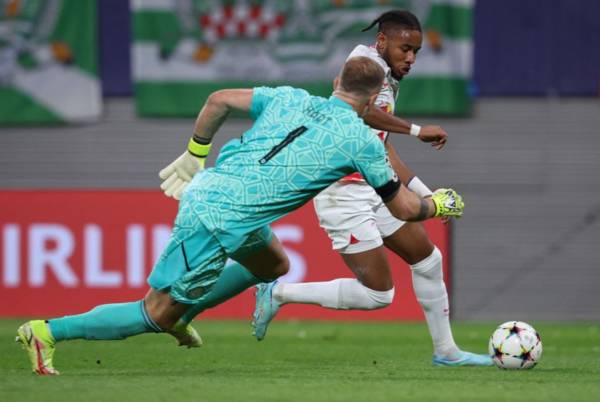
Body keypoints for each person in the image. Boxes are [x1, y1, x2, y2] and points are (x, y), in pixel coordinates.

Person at [16, 56, 464, 375]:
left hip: (224, 198)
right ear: (372, 106)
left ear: (335, 81)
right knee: (155, 313)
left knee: (273, 264)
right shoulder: (362, 139)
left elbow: (218, 100)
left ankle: (187, 313)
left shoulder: (290, 97)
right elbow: (403, 208)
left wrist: (195, 153)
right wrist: (438, 205)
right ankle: (47, 331)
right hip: (215, 217)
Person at [250, 10, 493, 367]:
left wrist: (425, 194)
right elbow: (362, 113)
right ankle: (279, 293)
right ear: (383, 42)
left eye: (416, 51)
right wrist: (416, 129)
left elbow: (380, 145)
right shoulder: (365, 67)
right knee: (378, 296)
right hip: (343, 191)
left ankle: (447, 352)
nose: (410, 58)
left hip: (374, 184)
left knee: (428, 259)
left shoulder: (383, 72)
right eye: (404, 48)